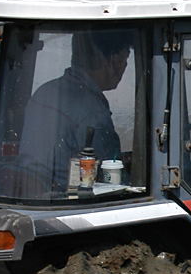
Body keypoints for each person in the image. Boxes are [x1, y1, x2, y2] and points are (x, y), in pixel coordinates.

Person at [19, 30, 131, 196]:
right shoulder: (93, 114)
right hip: (63, 202)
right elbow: (110, 180)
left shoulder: (43, 92)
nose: (125, 66)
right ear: (113, 60)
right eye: (125, 58)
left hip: (28, 194)